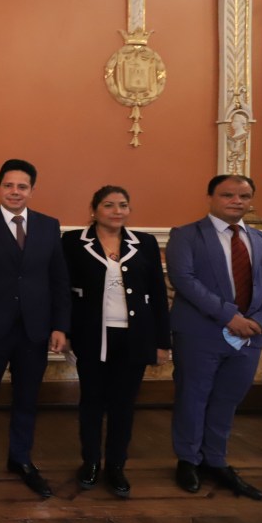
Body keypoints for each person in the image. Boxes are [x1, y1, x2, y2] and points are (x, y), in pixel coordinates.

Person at [0, 158, 70, 498]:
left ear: (32, 191)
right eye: (8, 185)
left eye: (22, 186)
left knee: (27, 398)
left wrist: (60, 326)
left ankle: (20, 459)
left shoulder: (49, 226)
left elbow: (59, 280)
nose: (15, 191)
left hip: (35, 330)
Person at [61, 185, 170, 498]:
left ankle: (116, 465)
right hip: (92, 336)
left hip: (135, 337)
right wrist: (63, 331)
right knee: (92, 402)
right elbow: (62, 290)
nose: (117, 211)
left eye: (123, 205)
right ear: (94, 210)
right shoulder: (73, 242)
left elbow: (158, 294)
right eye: (109, 205)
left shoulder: (145, 243)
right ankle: (91, 462)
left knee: (124, 404)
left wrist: (162, 341)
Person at [167, 174, 262, 500]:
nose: (237, 201)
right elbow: (184, 280)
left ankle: (216, 460)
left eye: (244, 196)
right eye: (228, 195)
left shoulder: (261, 240)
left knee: (227, 400)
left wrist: (258, 323)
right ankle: (188, 460)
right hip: (200, 333)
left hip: (249, 337)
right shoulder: (186, 235)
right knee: (192, 398)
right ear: (210, 197)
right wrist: (229, 316)